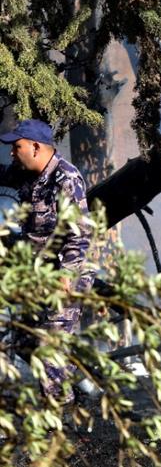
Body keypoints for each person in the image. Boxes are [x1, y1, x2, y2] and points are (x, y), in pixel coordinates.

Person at [0, 119, 93, 402]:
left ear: (36, 147)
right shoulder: (27, 174)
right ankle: (82, 390)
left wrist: (66, 272)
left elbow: (80, 233)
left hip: (63, 279)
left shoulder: (66, 180)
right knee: (22, 341)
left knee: (48, 352)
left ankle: (61, 425)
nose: (11, 153)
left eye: (17, 147)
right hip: (36, 277)